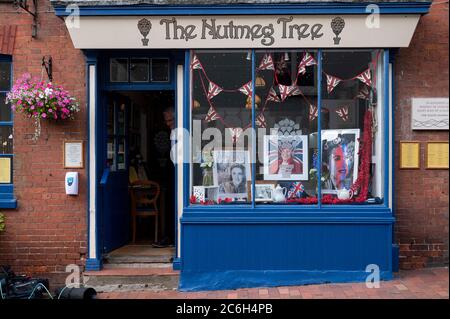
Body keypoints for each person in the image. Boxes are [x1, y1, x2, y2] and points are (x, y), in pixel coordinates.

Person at [152, 106, 175, 248]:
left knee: (172, 205)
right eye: (166, 121)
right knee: (170, 205)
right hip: (171, 175)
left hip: (179, 175)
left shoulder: (181, 132)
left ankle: (171, 237)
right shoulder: (171, 133)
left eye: (170, 120)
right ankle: (169, 236)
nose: (168, 123)